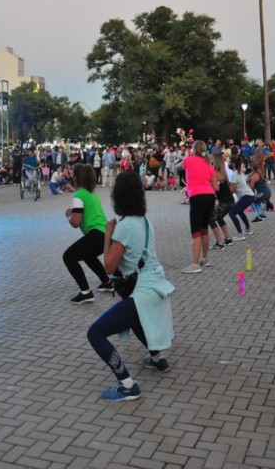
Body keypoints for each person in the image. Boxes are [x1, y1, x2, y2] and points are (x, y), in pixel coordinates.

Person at [87, 171, 175, 402]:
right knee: (136, 319)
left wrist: (108, 234)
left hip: (142, 292)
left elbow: (108, 266)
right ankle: (157, 359)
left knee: (95, 333)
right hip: (156, 287)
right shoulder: (145, 222)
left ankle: (127, 385)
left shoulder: (124, 228)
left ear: (118, 197)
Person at [63, 164, 113, 303]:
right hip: (105, 234)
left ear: (76, 179)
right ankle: (107, 283)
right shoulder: (91, 192)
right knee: (87, 255)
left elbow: (75, 222)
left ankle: (85, 292)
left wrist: (68, 215)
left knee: (68, 257)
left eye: (73, 176)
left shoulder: (79, 195)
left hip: (96, 234)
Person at [180, 140, 219, 274]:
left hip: (197, 197)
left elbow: (178, 166)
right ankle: (205, 258)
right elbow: (216, 186)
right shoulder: (209, 164)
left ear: (193, 149)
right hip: (210, 196)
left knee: (196, 232)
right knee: (204, 229)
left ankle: (195, 264)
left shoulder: (189, 160)